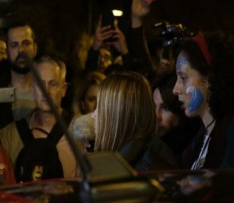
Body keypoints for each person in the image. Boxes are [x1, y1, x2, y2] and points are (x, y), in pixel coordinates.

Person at [0, 56, 77, 181]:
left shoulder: (80, 133)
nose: (46, 91)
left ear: (63, 89)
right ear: (33, 88)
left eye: (53, 84)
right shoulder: (9, 136)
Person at [173, 32, 234, 170]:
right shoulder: (200, 138)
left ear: (209, 79)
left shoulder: (230, 135)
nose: (175, 90)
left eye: (183, 78)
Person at [94, 71, 176, 171]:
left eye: (99, 108)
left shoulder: (150, 164)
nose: (94, 115)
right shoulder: (132, 156)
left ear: (118, 115)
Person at [152, 71, 201, 157]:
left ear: (182, 109)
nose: (156, 115)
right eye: (153, 106)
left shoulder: (194, 148)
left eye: (165, 108)